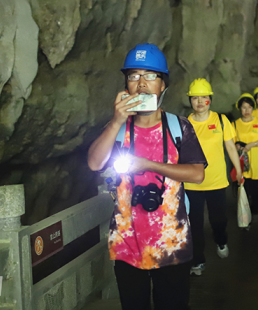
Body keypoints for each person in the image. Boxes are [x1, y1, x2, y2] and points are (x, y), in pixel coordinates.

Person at [87, 43, 207, 310]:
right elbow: (95, 163)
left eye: (150, 76)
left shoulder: (179, 127)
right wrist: (116, 120)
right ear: (126, 86)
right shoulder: (116, 130)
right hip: (127, 244)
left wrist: (149, 164)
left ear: (162, 85)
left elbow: (197, 174)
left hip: (172, 245)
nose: (141, 83)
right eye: (134, 76)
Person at [183, 78, 243, 276]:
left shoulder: (221, 121)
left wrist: (238, 171)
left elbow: (230, 148)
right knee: (195, 225)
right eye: (195, 98)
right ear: (190, 100)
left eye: (204, 97)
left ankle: (221, 240)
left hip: (217, 182)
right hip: (192, 184)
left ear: (210, 99)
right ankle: (198, 261)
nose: (199, 101)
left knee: (219, 220)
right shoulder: (185, 124)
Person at [232, 93, 258, 218]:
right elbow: (231, 142)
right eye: (244, 107)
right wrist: (237, 146)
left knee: (256, 190)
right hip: (241, 162)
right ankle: (245, 215)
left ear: (253, 108)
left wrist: (252, 145)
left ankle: (256, 212)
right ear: (240, 109)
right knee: (243, 190)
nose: (247, 110)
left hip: (255, 162)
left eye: (249, 107)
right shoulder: (235, 124)